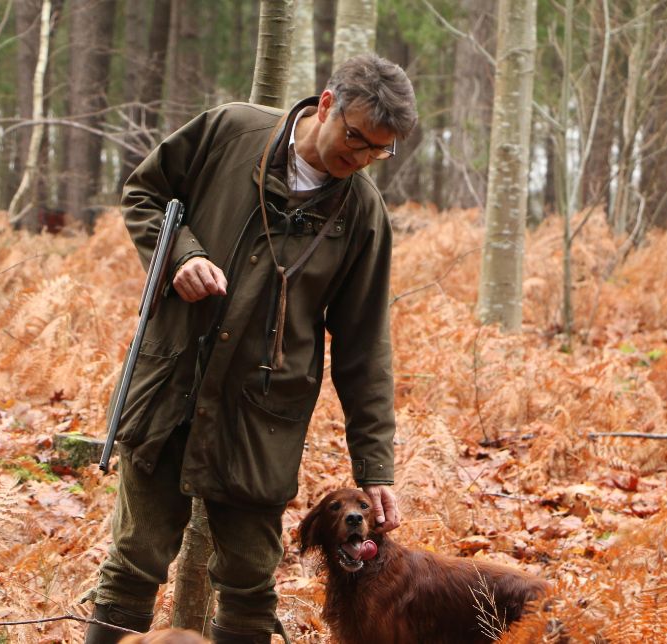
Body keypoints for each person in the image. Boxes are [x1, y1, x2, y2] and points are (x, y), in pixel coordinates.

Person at [82, 54, 418, 644]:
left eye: (378, 152)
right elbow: (144, 193)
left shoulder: (362, 214)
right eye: (356, 138)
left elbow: (365, 346)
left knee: (248, 583)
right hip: (170, 391)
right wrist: (179, 256)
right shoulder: (229, 132)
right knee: (132, 565)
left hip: (261, 420)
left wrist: (375, 464)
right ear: (327, 105)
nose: (360, 158)